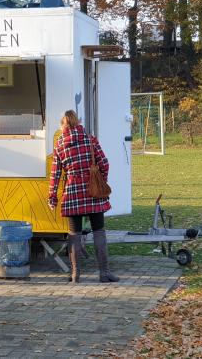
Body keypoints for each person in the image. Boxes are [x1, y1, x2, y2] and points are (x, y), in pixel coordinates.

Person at [48, 109, 119, 284]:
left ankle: (75, 274)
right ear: (78, 122)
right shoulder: (89, 139)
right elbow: (104, 163)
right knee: (99, 231)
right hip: (93, 191)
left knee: (74, 234)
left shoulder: (60, 145)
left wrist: (52, 197)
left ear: (63, 125)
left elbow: (55, 174)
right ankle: (104, 273)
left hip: (72, 192)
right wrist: (101, 180)